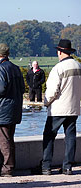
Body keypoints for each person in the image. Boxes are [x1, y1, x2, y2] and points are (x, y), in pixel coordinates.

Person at [0, 43, 25, 177]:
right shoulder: (16, 68)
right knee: (8, 139)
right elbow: (22, 89)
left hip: (2, 109)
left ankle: (7, 169)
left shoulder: (0, 69)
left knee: (4, 141)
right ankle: (5, 165)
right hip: (14, 109)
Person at [41, 39, 81, 175]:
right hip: (74, 107)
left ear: (60, 52)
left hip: (58, 108)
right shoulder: (78, 65)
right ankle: (67, 166)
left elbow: (52, 91)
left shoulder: (58, 68)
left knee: (49, 136)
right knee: (70, 137)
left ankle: (46, 166)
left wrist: (46, 103)